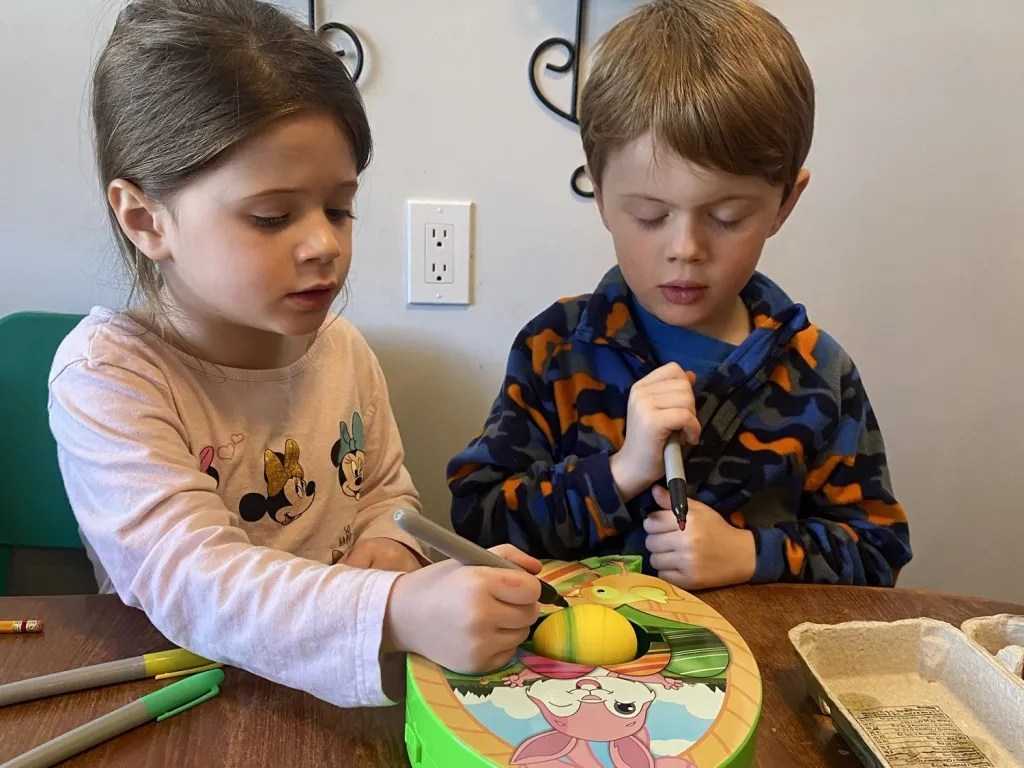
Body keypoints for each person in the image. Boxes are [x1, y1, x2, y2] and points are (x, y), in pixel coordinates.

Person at [49, 0, 540, 708]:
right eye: (273, 216)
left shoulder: (340, 348)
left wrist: (392, 552)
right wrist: (396, 609)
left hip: (344, 693)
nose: (325, 244)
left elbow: (385, 491)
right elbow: (198, 580)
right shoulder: (109, 376)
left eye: (340, 208)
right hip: (187, 698)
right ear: (146, 219)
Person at [448, 0, 911, 590]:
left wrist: (749, 553)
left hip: (750, 670)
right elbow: (478, 520)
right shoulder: (556, 350)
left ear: (784, 204)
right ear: (600, 194)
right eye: (649, 215)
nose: (686, 248)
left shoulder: (819, 373)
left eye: (726, 216)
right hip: (579, 676)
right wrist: (619, 473)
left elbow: (878, 550)